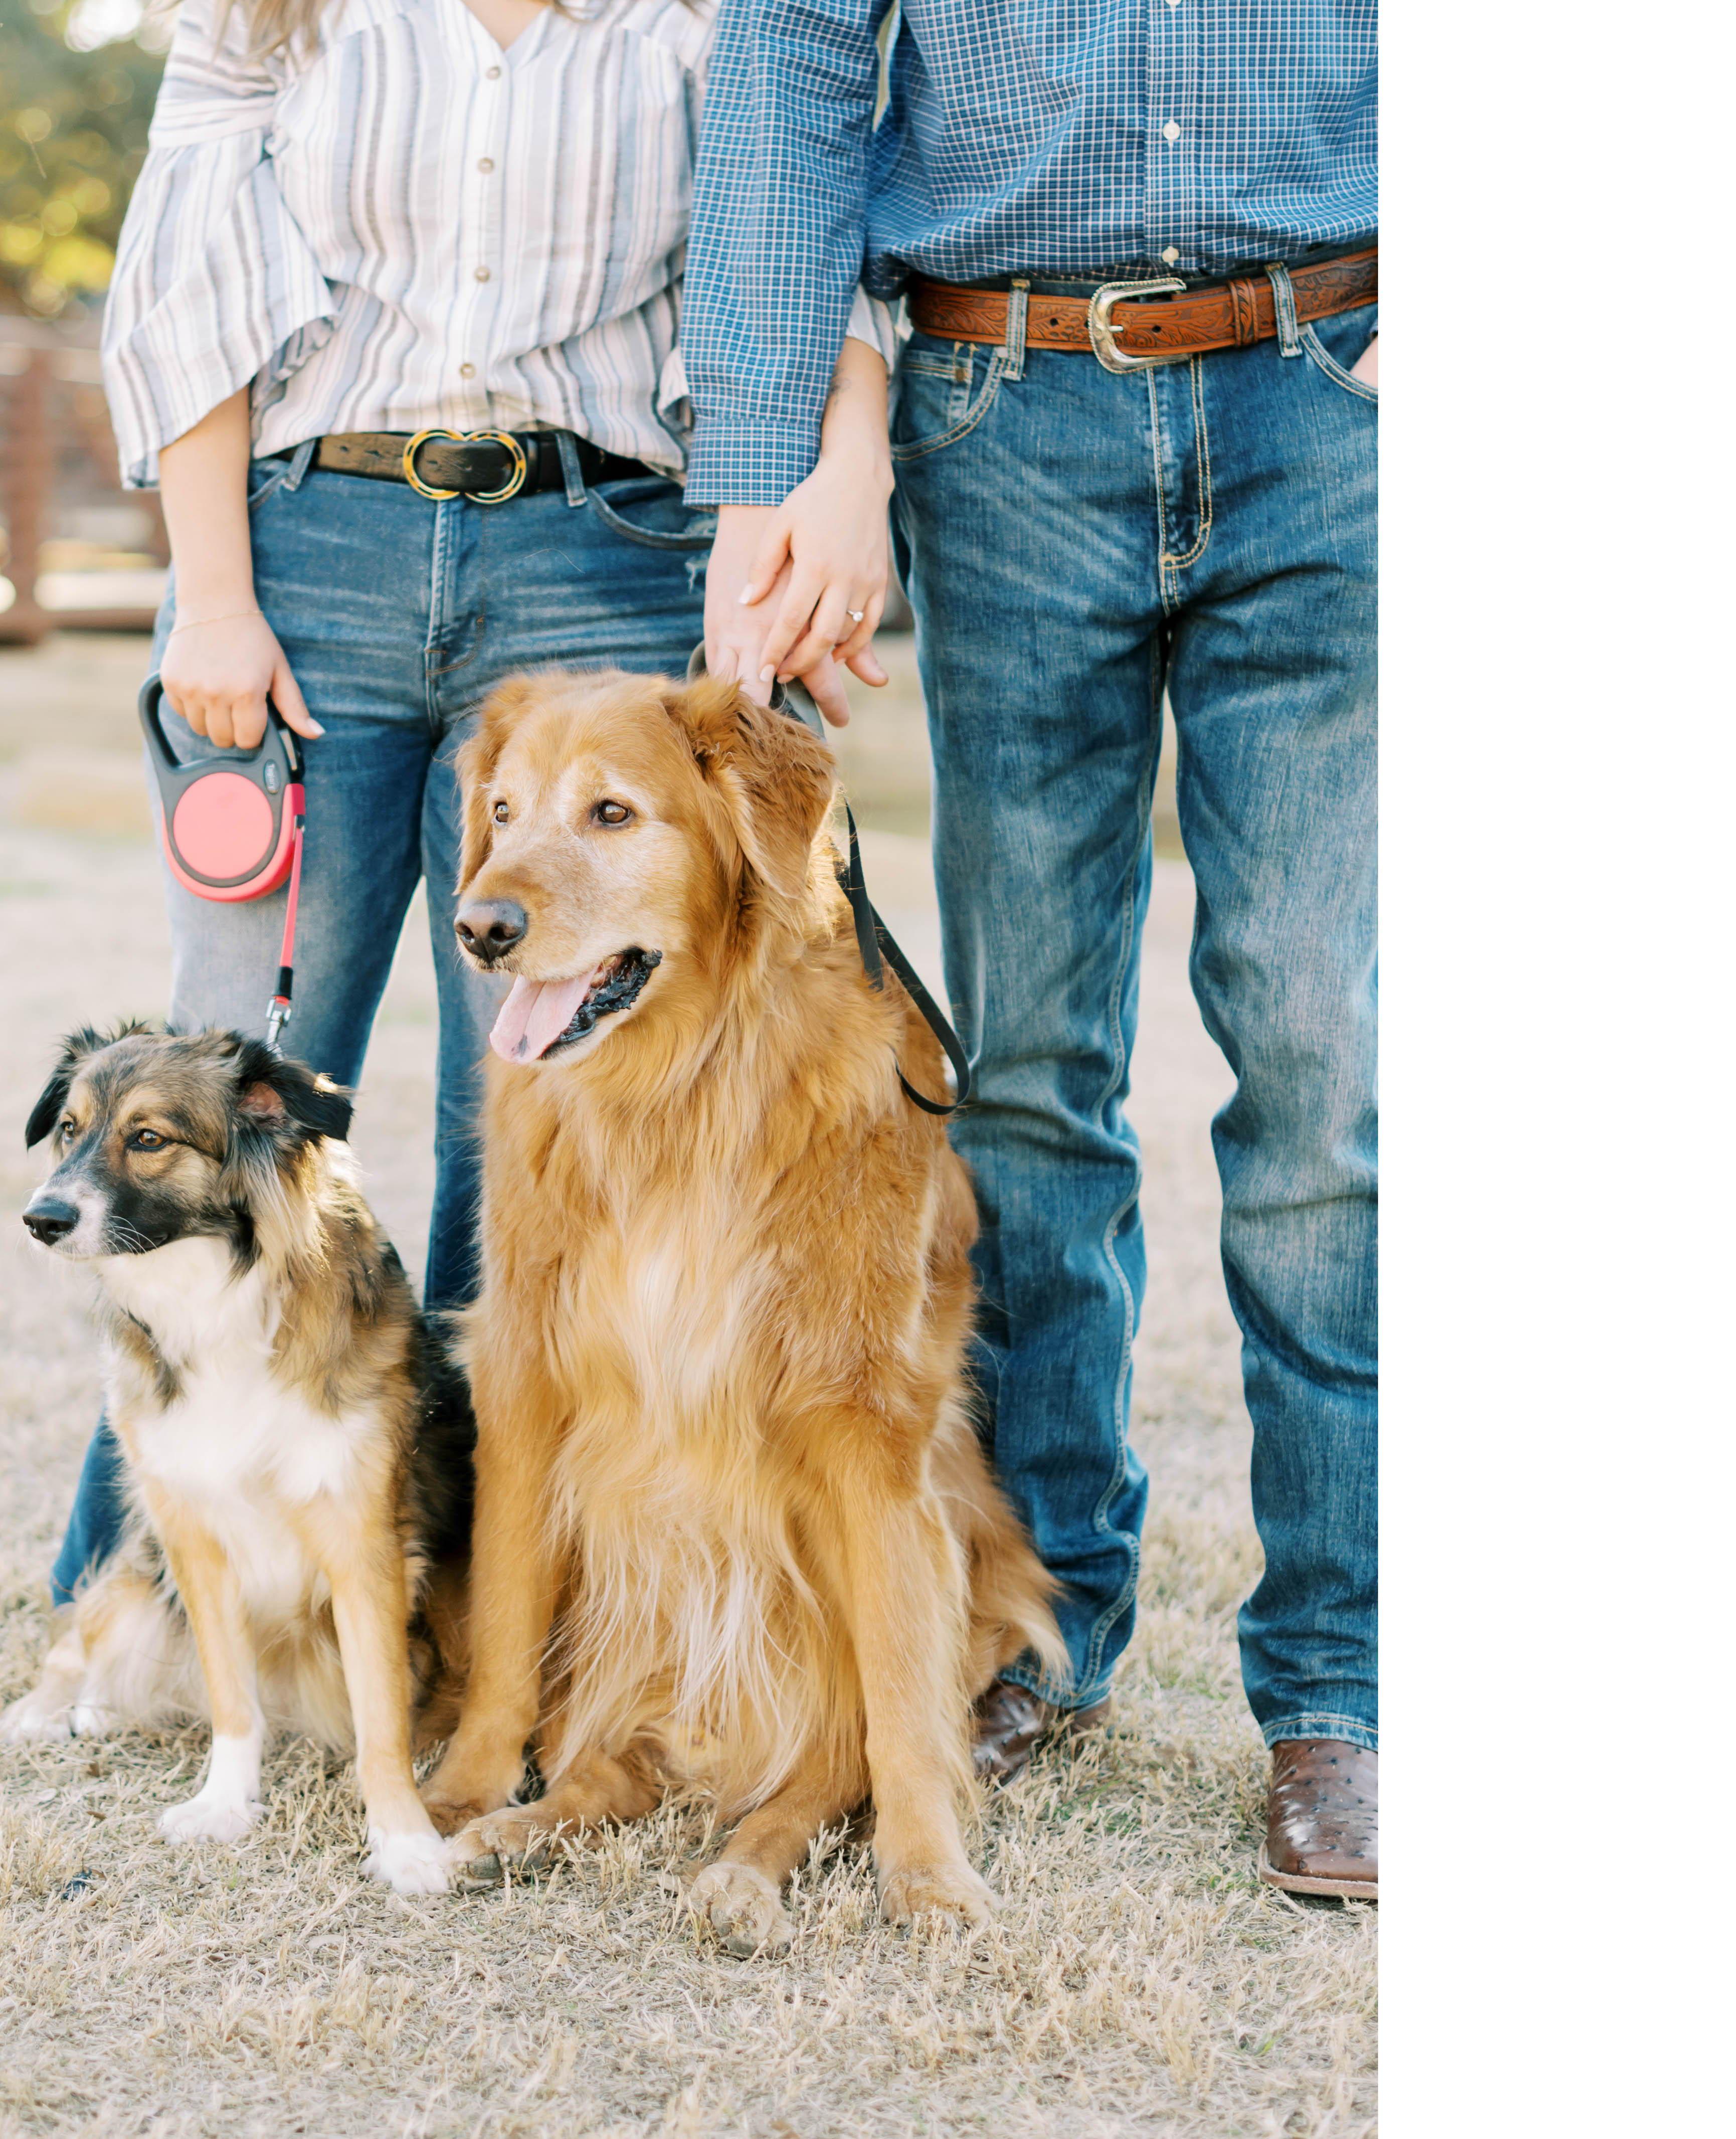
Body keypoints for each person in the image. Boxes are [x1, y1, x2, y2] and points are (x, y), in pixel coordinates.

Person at [45, 0, 897, 1607]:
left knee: (532, 1102)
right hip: (311, 557)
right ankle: (137, 1590)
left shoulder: (702, 27)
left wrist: (812, 507)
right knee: (239, 1079)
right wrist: (212, 598)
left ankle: (472, 1599)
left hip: (595, 550)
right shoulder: (279, 13)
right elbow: (183, 294)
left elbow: (806, 264)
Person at [684, 1, 1379, 1900]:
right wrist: (778, 463)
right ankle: (1046, 1630)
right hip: (1002, 414)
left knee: (1326, 1069)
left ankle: (1348, 1692)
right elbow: (795, 75)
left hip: (1334, 390)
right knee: (1034, 1077)